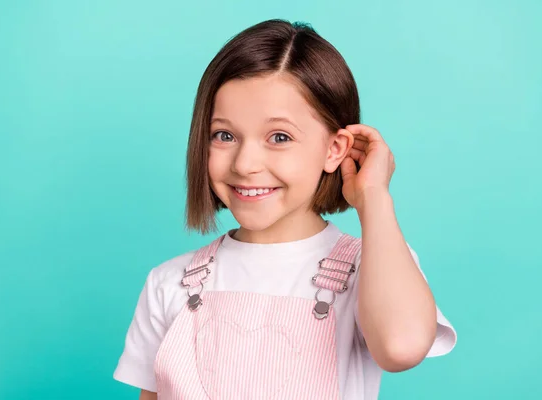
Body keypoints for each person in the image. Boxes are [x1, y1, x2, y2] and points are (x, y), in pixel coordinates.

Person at [113, 19, 457, 400]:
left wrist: (373, 195)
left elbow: (401, 347)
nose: (245, 164)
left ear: (334, 150)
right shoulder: (169, 284)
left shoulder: (375, 268)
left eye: (279, 137)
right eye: (224, 135)